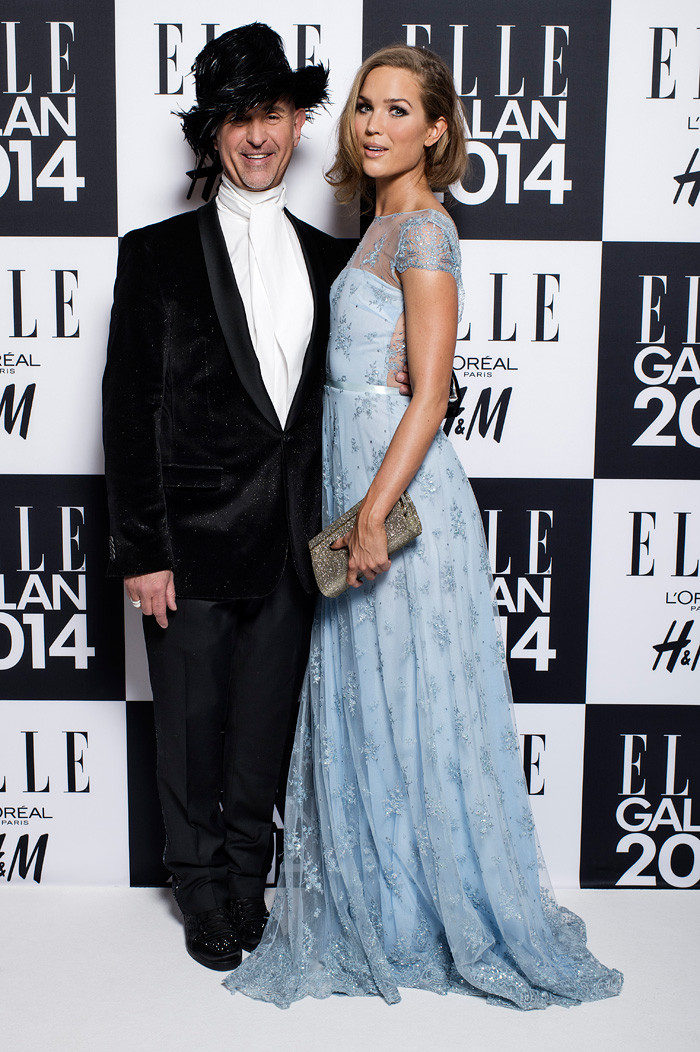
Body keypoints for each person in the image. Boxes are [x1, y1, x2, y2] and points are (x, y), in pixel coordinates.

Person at [225, 44, 623, 1009]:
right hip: (354, 489)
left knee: (417, 702)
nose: (373, 124)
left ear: (437, 130)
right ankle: (386, 906)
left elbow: (432, 396)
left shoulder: (428, 234)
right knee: (373, 704)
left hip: (399, 509)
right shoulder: (376, 226)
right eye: (365, 106)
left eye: (399, 110)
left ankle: (431, 915)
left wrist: (369, 518)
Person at [102, 23, 388, 971]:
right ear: (213, 132)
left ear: (299, 123)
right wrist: (143, 550)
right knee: (189, 730)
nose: (257, 136)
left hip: (295, 542)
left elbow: (369, 390)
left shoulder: (335, 260)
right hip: (187, 542)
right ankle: (198, 888)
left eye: (272, 114)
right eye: (237, 118)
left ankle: (244, 877)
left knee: (264, 729)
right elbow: (129, 408)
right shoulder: (155, 254)